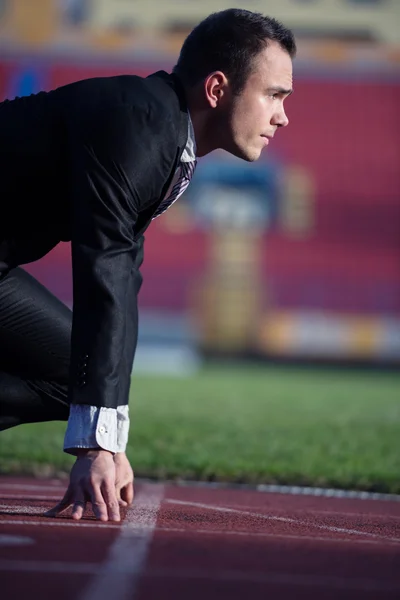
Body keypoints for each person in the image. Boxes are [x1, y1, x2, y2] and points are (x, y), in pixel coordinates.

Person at [0, 9, 295, 521]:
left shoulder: (167, 138)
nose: (282, 116)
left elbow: (122, 283)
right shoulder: (138, 123)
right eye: (274, 95)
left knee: (76, 373)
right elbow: (103, 272)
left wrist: (111, 440)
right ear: (217, 88)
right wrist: (94, 447)